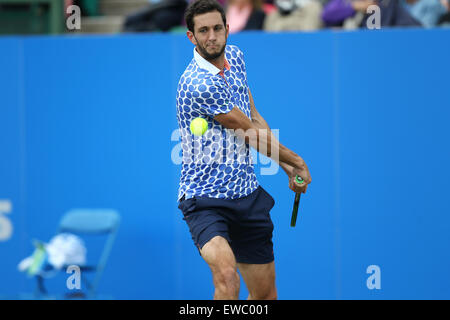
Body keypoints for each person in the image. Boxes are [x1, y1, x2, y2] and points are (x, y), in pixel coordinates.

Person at [176, 0, 312, 300]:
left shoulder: (236, 57)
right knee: (227, 278)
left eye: (216, 28)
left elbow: (253, 117)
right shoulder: (197, 84)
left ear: (228, 28)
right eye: (203, 31)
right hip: (205, 200)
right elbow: (248, 133)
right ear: (191, 37)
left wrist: (285, 166)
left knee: (265, 296)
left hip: (247, 196)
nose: (211, 36)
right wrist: (298, 160)